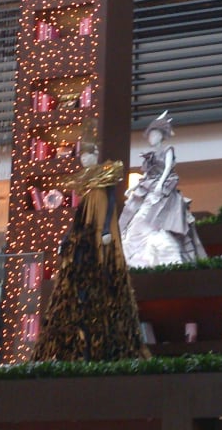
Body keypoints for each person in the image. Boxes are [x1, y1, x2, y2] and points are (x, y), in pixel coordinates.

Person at [32, 144, 149, 362]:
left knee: (101, 269)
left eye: (88, 156)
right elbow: (79, 215)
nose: (84, 160)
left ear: (95, 155)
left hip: (101, 230)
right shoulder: (84, 183)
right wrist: (67, 238)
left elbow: (112, 201)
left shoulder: (106, 172)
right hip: (86, 232)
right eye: (82, 157)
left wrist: (106, 228)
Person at [119, 112, 207, 268]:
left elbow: (167, 168)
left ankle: (165, 255)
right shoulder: (151, 154)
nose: (151, 138)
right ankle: (136, 256)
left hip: (164, 191)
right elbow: (146, 174)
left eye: (154, 134)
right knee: (138, 218)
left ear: (160, 135)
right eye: (150, 135)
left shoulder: (168, 150)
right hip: (150, 187)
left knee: (158, 217)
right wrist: (133, 187)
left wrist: (161, 183)